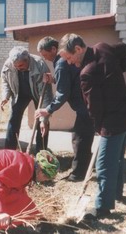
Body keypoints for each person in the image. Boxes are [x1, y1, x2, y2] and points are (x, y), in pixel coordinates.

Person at [59, 33, 126, 220]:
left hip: (113, 123)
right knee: (117, 159)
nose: (69, 63)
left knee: (103, 165)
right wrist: (120, 69)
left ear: (78, 49)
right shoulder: (103, 47)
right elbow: (125, 48)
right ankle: (115, 194)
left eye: (69, 58)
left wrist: (99, 129)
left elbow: (94, 109)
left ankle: (102, 207)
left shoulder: (87, 73)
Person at [35, 36, 95, 182]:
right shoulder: (63, 62)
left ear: (54, 49)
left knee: (79, 138)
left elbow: (62, 93)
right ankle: (86, 167)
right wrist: (54, 79)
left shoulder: (61, 63)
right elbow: (69, 81)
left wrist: (48, 110)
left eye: (45, 54)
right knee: (84, 138)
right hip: (87, 103)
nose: (44, 58)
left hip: (84, 105)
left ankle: (77, 174)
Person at [0, 46, 53, 153]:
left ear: (27, 59)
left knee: (41, 120)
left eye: (21, 66)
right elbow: (5, 81)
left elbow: (46, 94)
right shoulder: (8, 64)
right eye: (16, 66)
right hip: (19, 93)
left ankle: (41, 152)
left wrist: (45, 119)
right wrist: (5, 96)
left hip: (38, 93)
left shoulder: (40, 65)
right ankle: (9, 152)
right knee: (13, 118)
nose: (18, 68)